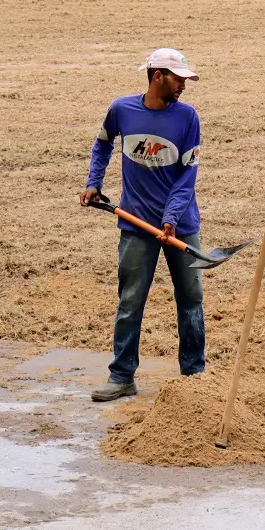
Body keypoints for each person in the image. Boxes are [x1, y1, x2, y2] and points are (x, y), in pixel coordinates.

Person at [80, 48, 203, 401]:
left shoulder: (188, 117)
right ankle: (121, 377)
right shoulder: (122, 109)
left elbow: (187, 175)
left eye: (185, 79)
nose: (183, 85)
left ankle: (194, 378)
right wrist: (94, 182)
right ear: (157, 76)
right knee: (131, 300)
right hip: (136, 225)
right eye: (178, 78)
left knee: (191, 299)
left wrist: (171, 218)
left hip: (181, 224)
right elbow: (102, 144)